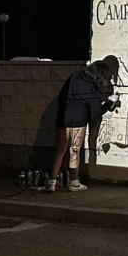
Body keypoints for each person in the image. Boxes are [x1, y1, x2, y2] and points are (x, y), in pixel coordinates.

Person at [45, 61, 113, 192]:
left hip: (63, 119)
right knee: (74, 151)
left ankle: (51, 182)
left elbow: (62, 96)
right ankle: (73, 182)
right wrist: (108, 105)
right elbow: (96, 111)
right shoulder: (92, 87)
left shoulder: (74, 76)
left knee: (60, 150)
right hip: (78, 121)